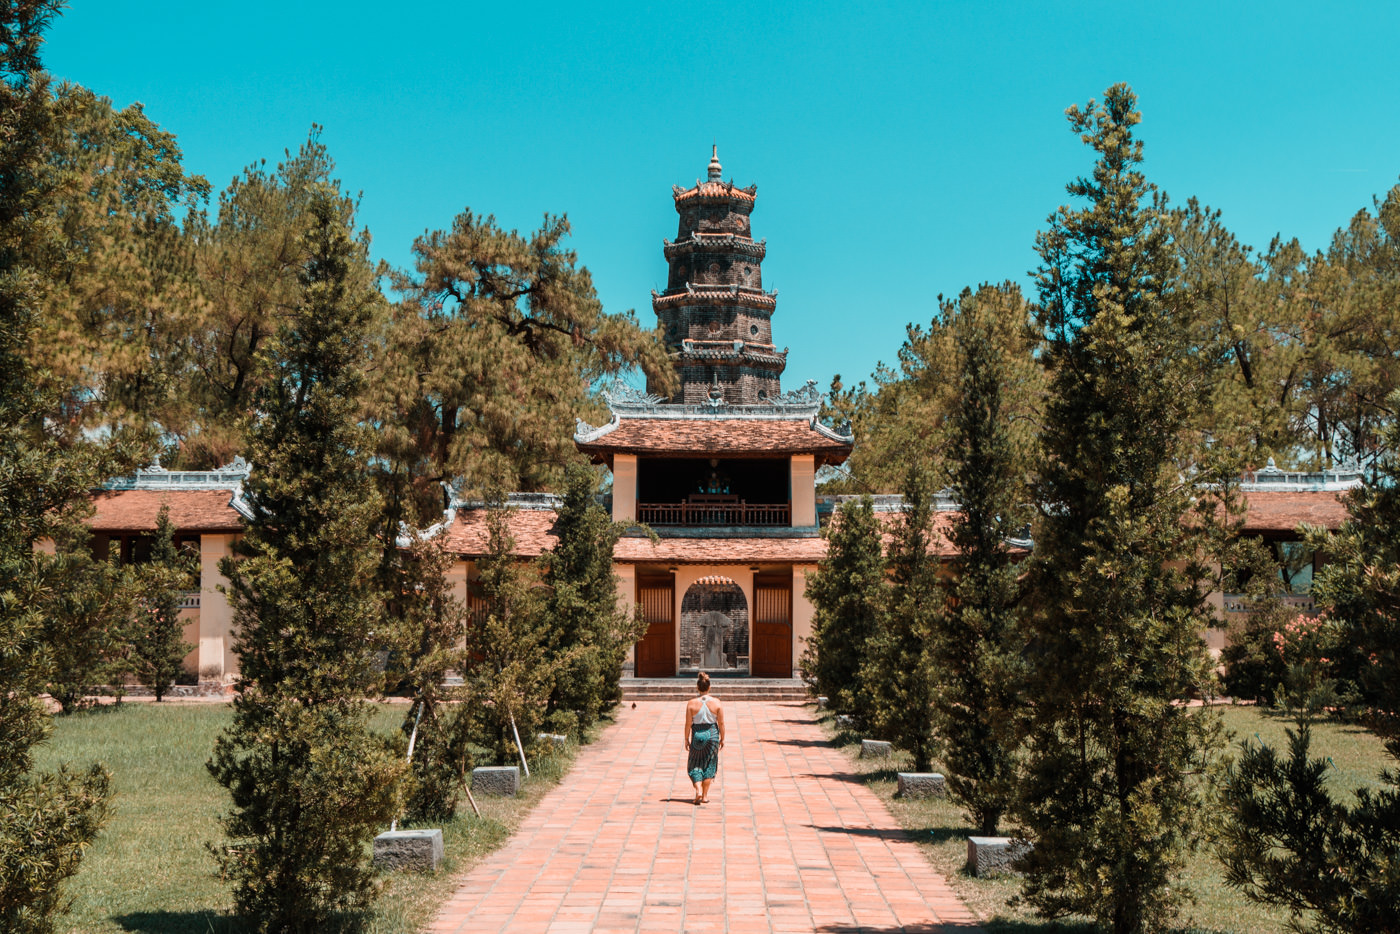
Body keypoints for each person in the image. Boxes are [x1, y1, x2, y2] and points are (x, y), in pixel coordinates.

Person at [683, 672, 725, 804]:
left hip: (697, 736)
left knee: (695, 764)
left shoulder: (691, 704)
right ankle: (705, 795)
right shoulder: (717, 703)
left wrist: (686, 738)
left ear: (697, 687)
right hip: (712, 735)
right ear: (709, 687)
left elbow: (688, 724)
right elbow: (721, 723)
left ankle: (698, 790)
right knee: (709, 764)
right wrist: (722, 738)